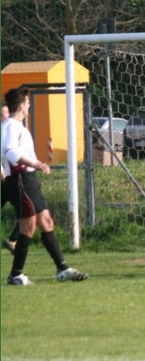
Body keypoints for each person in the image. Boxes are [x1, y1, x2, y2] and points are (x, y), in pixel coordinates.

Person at [1, 87, 88, 285]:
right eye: (27, 102)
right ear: (21, 106)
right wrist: (36, 163)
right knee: (28, 227)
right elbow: (9, 152)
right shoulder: (10, 126)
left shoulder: (19, 127)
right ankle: (15, 275)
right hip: (20, 180)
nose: (29, 105)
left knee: (46, 222)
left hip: (29, 179)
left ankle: (62, 269)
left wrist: (34, 166)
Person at [1, 102, 20, 254]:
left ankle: (13, 240)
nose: (7, 116)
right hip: (5, 180)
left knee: (28, 211)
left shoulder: (12, 131)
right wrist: (4, 176)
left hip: (11, 179)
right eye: (3, 114)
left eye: (7, 113)